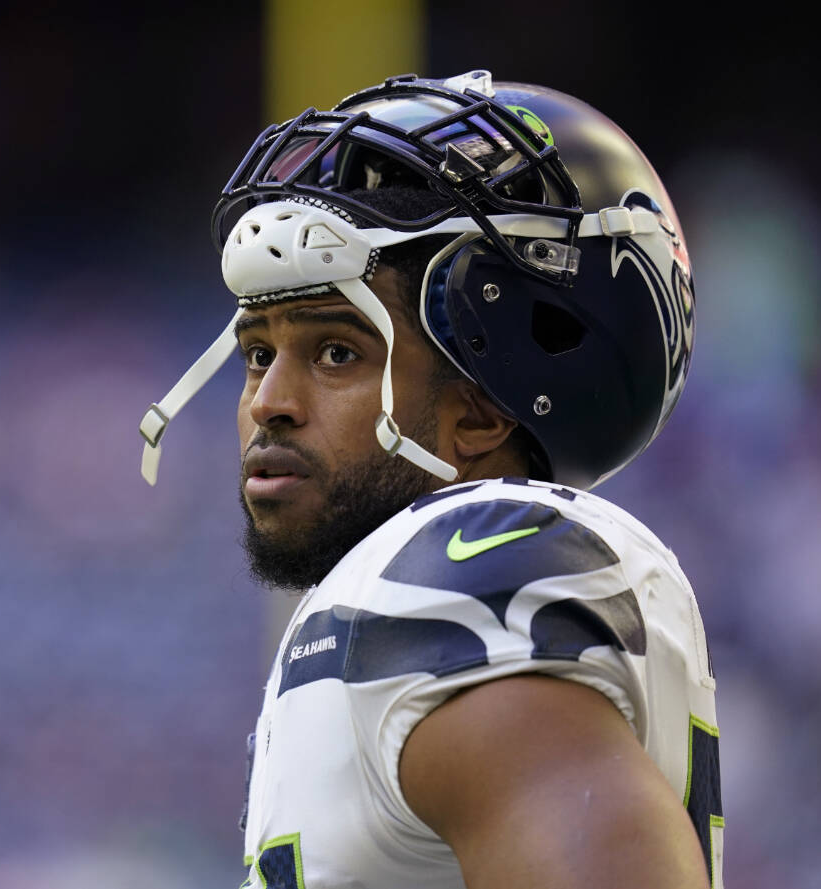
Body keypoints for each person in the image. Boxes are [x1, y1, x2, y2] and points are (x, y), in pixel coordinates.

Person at [139, 70, 721, 889]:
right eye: (259, 354)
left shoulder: (467, 563)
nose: (268, 402)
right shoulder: (381, 600)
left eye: (336, 352)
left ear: (481, 410)